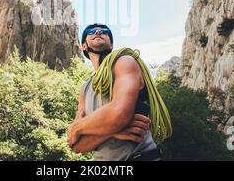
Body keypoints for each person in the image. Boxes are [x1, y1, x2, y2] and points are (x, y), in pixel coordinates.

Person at [67, 23, 171, 161]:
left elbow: (119, 114)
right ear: (84, 46)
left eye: (105, 32)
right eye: (91, 31)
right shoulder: (84, 89)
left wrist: (76, 128)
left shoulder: (124, 62)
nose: (98, 32)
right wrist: (112, 132)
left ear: (111, 45)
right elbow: (76, 145)